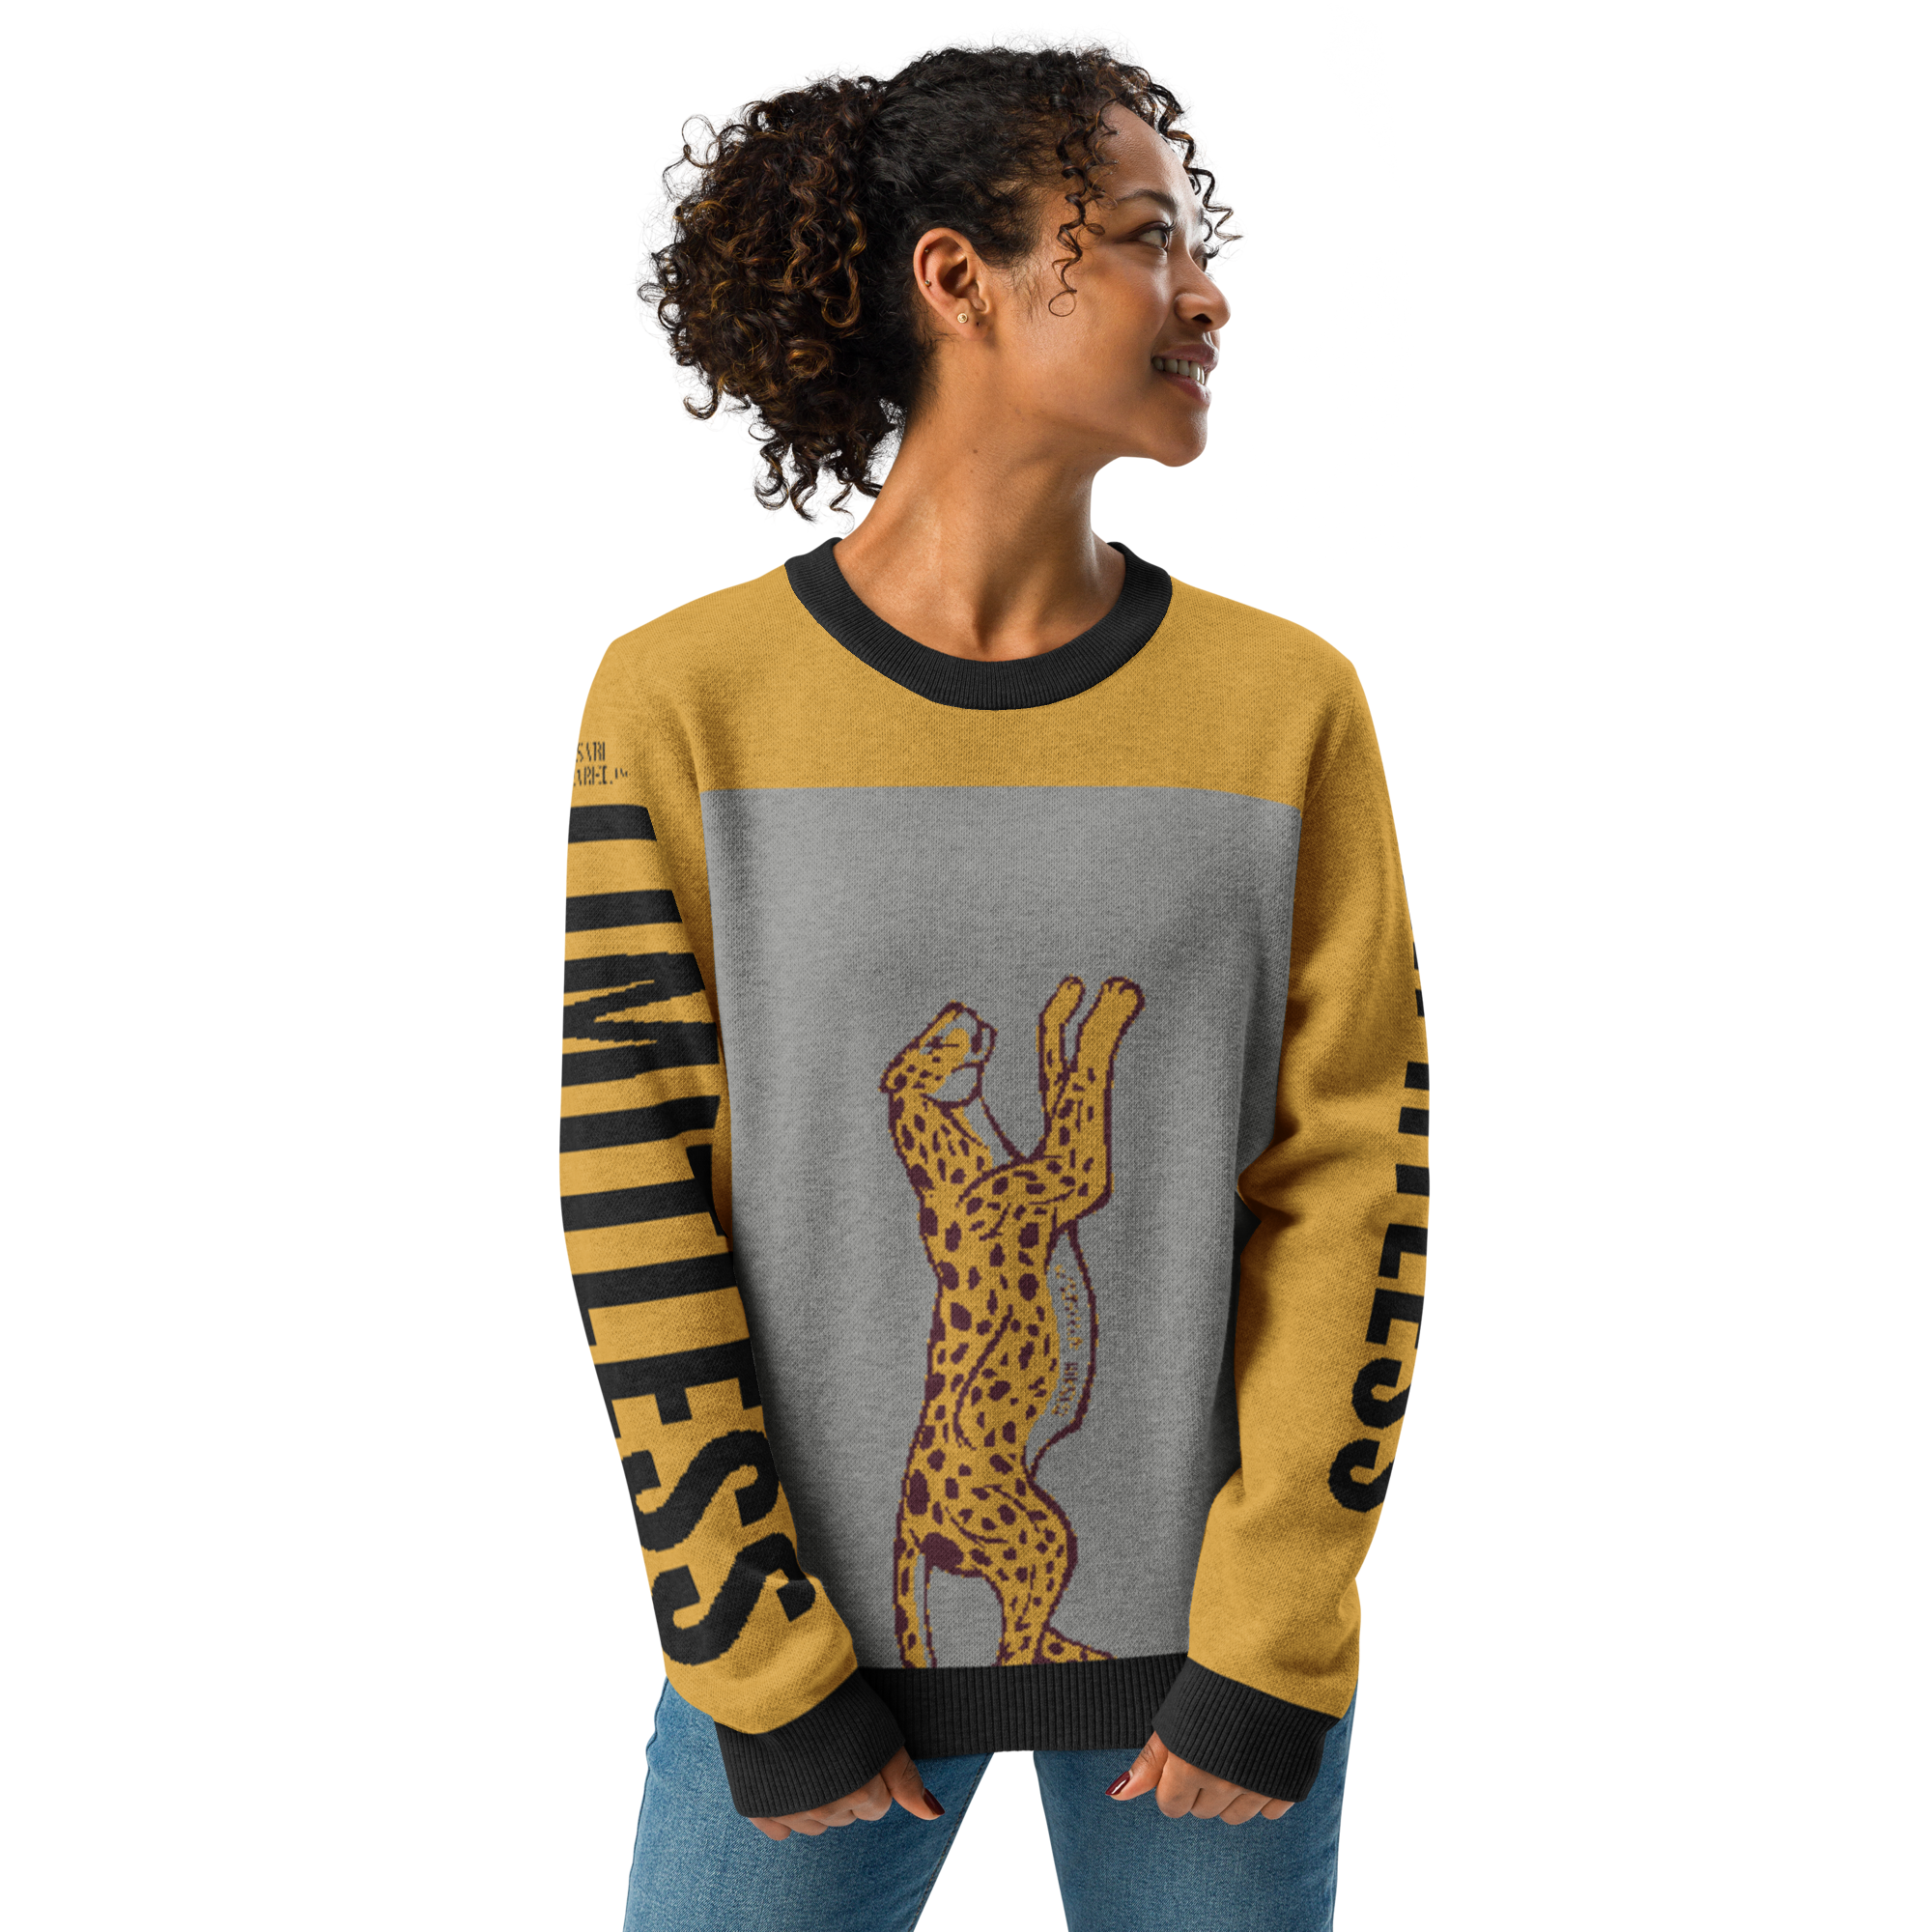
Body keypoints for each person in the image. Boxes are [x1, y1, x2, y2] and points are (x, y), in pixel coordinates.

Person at [559, 22, 1425, 1931]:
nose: (1206, 292)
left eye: (1205, 246)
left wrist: (1279, 1629)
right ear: (958, 277)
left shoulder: (1291, 707)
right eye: (1144, 236)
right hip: (798, 1666)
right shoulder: (682, 699)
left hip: (1210, 1674)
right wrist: (755, 1653)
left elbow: (1352, 1179)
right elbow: (631, 1189)